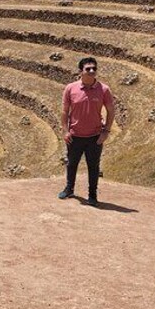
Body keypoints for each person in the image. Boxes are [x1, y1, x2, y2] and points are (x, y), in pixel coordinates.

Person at [58, 56, 115, 207]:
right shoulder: (71, 88)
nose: (91, 71)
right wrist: (65, 131)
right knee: (72, 164)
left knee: (93, 166)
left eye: (94, 69)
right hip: (75, 135)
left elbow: (111, 111)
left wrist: (106, 132)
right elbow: (64, 112)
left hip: (94, 137)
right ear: (80, 71)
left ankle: (92, 195)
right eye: (88, 69)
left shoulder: (104, 90)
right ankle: (69, 189)